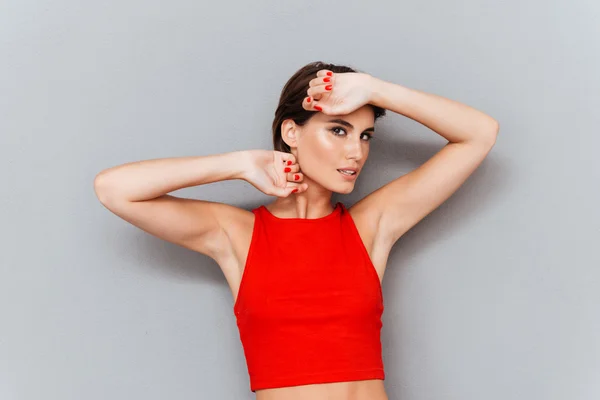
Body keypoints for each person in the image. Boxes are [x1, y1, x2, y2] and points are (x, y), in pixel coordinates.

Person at [94, 61, 499, 399]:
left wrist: (375, 90)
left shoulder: (370, 226)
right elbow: (114, 189)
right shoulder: (237, 234)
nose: (356, 151)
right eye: (338, 130)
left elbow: (479, 135)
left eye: (365, 136)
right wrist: (237, 164)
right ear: (292, 133)